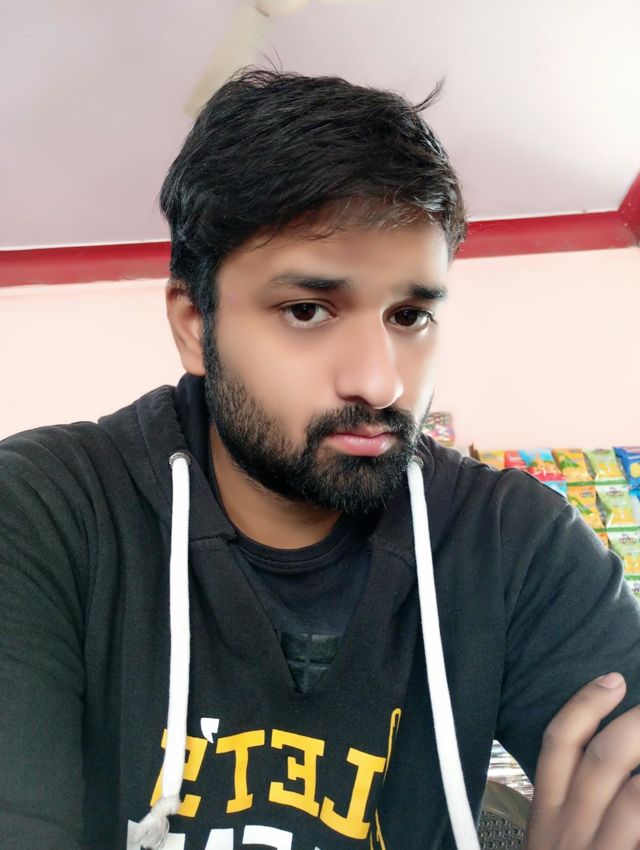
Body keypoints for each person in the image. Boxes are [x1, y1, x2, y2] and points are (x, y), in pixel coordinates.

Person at [0, 69, 639, 850]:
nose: (380, 381)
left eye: (410, 315)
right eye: (307, 310)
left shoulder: (512, 541)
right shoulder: (44, 514)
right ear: (196, 324)